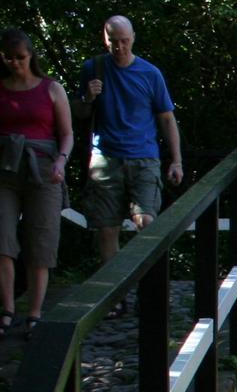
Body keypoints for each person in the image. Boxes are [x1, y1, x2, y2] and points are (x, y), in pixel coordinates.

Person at [76, 15, 182, 310]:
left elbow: (166, 118)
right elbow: (79, 114)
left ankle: (149, 288)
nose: (120, 47)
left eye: (125, 41)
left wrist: (176, 160)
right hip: (105, 158)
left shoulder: (150, 74)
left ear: (133, 38)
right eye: (114, 41)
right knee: (106, 229)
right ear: (105, 39)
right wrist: (87, 97)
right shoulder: (93, 69)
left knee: (145, 221)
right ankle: (117, 296)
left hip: (144, 157)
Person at [0, 29, 72, 339]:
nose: (15, 63)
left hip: (43, 168)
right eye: (9, 58)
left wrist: (61, 160)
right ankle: (7, 310)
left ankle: (34, 311)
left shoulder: (52, 89)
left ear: (31, 56)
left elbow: (67, 133)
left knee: (40, 240)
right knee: (0, 239)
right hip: (3, 168)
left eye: (21, 57)